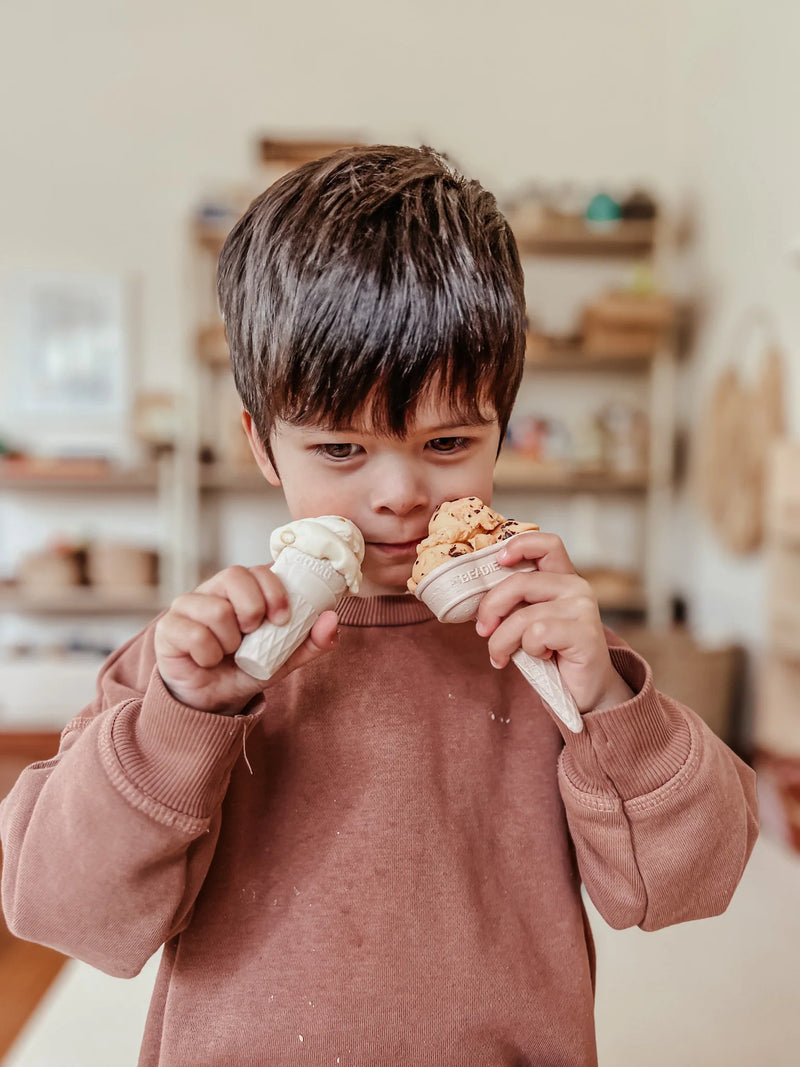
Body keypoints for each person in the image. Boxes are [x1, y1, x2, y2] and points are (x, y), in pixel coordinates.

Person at [0, 145, 758, 1067]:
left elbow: (685, 884)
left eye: (447, 439)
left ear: (502, 431)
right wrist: (180, 721)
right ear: (264, 446)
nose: (399, 493)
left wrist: (606, 705)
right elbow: (63, 906)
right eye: (340, 449)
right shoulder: (194, 661)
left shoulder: (545, 650)